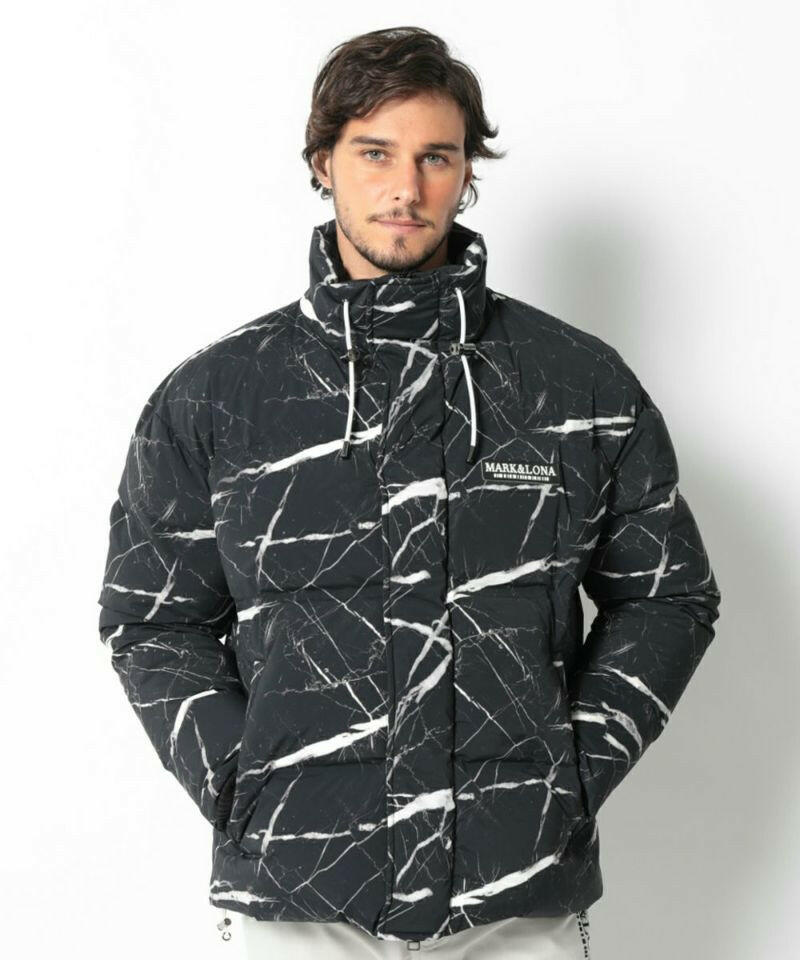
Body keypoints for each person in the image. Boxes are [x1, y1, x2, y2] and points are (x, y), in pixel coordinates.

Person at [97, 25, 721, 960]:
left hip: (513, 897)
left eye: (437, 157)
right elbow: (153, 621)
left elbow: (668, 596)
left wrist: (568, 777)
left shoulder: (575, 384)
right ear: (324, 163)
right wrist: (247, 786)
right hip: (298, 899)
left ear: (466, 173)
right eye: (375, 153)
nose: (406, 188)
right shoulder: (219, 395)